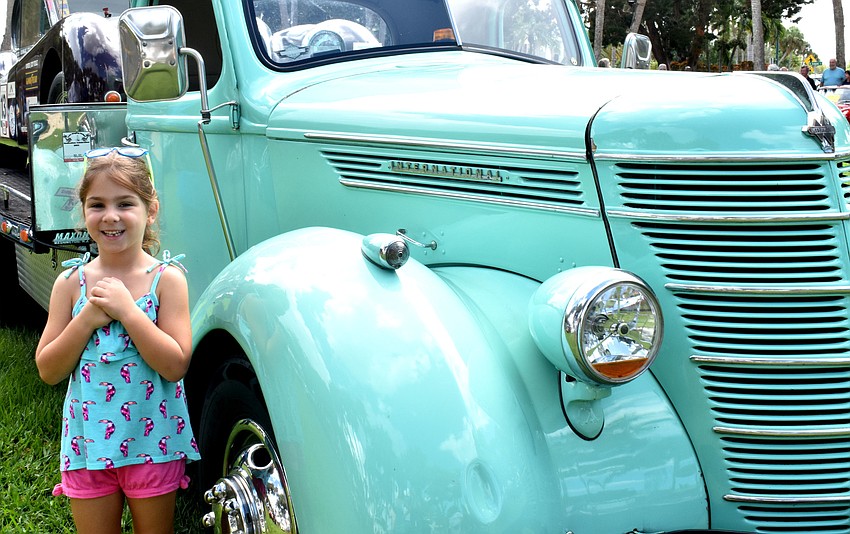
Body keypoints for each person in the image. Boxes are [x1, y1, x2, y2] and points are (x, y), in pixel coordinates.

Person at [35, 147, 200, 534]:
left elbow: (175, 364)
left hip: (153, 443)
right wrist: (88, 318)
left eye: (125, 203)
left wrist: (128, 311)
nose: (110, 216)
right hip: (86, 448)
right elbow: (48, 369)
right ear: (83, 212)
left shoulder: (167, 281)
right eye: (97, 205)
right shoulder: (70, 285)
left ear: (151, 209)